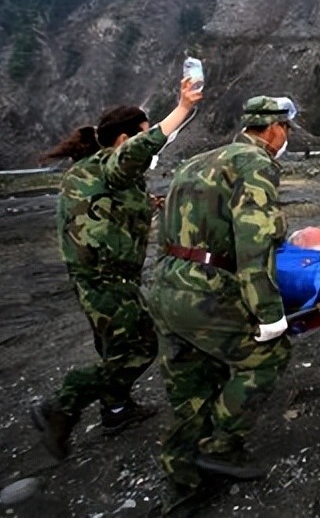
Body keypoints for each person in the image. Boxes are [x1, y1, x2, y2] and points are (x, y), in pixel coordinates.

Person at [31, 77, 203, 461]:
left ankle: (117, 410)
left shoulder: (96, 171)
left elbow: (108, 205)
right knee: (139, 349)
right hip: (106, 280)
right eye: (140, 136)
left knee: (114, 347)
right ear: (125, 139)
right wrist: (183, 109)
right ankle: (61, 404)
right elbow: (140, 150)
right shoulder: (112, 162)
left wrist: (149, 204)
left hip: (94, 278)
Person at [147, 95, 295, 513]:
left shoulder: (197, 161)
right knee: (269, 356)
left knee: (191, 384)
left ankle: (184, 481)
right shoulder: (255, 164)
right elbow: (255, 242)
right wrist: (269, 314)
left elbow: (168, 229)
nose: (285, 138)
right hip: (206, 287)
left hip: (166, 284)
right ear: (272, 128)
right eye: (285, 129)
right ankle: (222, 445)